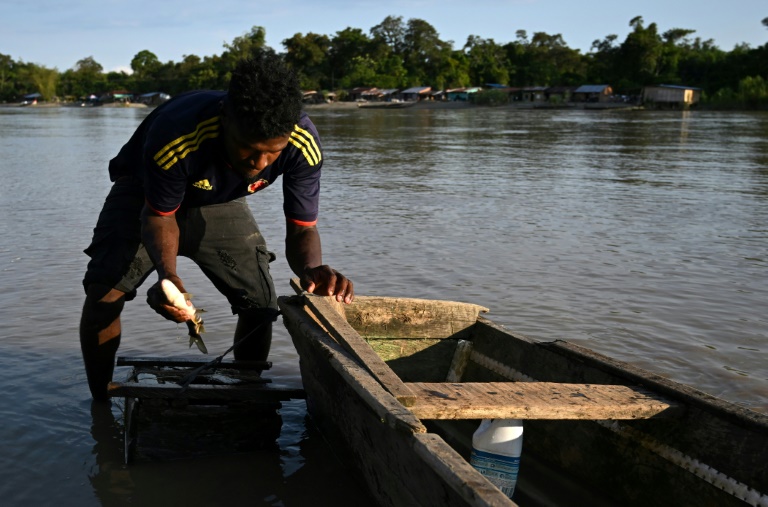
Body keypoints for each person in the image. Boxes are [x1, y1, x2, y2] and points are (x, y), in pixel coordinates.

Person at [79, 52, 353, 401]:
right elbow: (161, 216)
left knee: (261, 304)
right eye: (248, 149)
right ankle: (100, 404)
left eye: (272, 153)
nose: (259, 164)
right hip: (145, 195)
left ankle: (247, 393)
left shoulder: (303, 145)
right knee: (104, 294)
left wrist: (312, 269)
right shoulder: (177, 134)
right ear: (226, 119)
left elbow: (301, 228)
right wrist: (168, 276)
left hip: (219, 198)